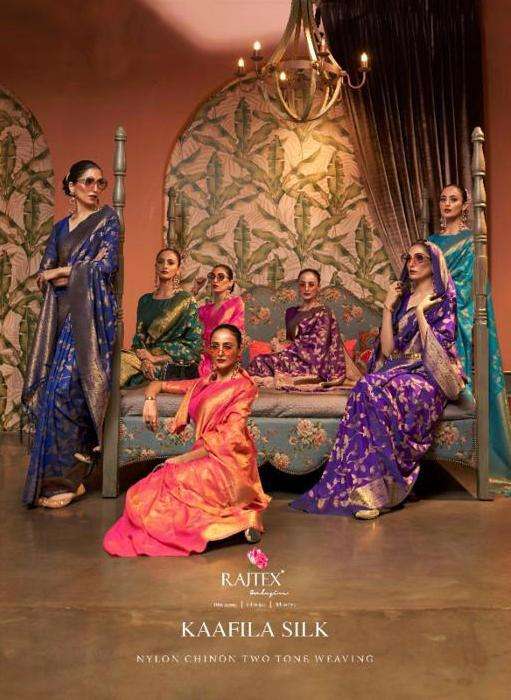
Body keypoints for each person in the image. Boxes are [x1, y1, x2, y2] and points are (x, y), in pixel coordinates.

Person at [291, 241, 465, 519]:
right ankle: (366, 490)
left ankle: (382, 492)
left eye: (420, 258)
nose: (411, 263)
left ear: (434, 264)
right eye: (408, 257)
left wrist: (422, 314)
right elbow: (388, 350)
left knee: (373, 388)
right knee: (365, 387)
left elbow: (437, 352)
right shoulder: (403, 299)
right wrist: (387, 307)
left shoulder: (442, 299)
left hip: (427, 376)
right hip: (399, 370)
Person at [103, 324, 270, 557]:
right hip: (205, 456)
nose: (220, 352)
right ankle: (236, 523)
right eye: (215, 346)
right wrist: (150, 400)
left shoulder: (244, 387)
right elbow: (159, 384)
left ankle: (242, 520)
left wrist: (184, 458)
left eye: (227, 347)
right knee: (143, 492)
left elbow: (230, 436)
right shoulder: (205, 382)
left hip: (228, 464)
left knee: (168, 481)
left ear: (239, 350)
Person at [22, 160, 119, 508]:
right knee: (51, 397)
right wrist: (58, 274)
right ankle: (54, 481)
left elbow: (105, 266)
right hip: (60, 317)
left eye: (100, 182)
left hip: (90, 319)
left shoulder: (107, 220)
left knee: (68, 393)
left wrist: (62, 273)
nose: (95, 188)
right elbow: (43, 273)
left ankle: (72, 478)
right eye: (88, 182)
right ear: (72, 187)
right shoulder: (60, 229)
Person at [429, 184, 511, 478]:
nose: (447, 204)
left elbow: (468, 286)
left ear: (464, 205)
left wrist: (444, 304)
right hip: (429, 315)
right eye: (443, 199)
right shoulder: (431, 242)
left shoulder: (471, 241)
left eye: (453, 199)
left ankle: (478, 452)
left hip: (456, 316)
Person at [248, 268, 357, 388]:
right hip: (292, 358)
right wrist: (279, 346)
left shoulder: (324, 312)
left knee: (271, 365)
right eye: (302, 284)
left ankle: (283, 380)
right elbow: (292, 342)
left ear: (318, 287)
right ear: (298, 287)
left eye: (311, 284)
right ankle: (276, 380)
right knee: (259, 361)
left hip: (313, 364)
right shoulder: (291, 312)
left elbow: (319, 347)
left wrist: (284, 350)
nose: (306, 288)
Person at [120, 248, 202, 386]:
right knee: (116, 360)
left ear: (178, 269)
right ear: (156, 266)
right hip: (143, 359)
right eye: (160, 262)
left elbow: (194, 347)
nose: (165, 266)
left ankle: (149, 377)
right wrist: (146, 359)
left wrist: (155, 358)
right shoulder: (145, 300)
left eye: (170, 263)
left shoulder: (186, 300)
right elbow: (139, 338)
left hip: (171, 361)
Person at [193, 264, 245, 377]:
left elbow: (234, 336)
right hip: (203, 357)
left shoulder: (236, 303)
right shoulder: (206, 309)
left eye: (221, 277)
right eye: (212, 277)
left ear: (230, 283)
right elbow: (186, 316)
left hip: (224, 357)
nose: (215, 280)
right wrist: (195, 290)